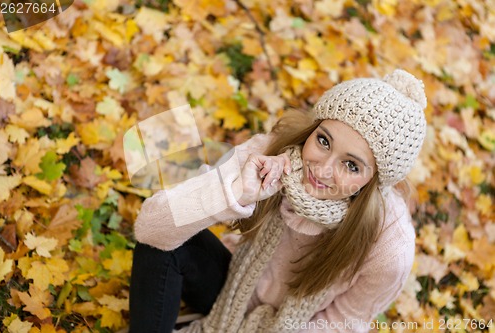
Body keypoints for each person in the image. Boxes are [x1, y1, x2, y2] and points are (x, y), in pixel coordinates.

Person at [128, 69, 427, 333]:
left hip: (294, 326)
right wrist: (236, 193)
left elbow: (342, 322)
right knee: (168, 245)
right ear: (313, 128)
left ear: (374, 181)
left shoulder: (389, 246)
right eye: (323, 141)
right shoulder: (270, 155)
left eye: (351, 165)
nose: (321, 171)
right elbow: (150, 229)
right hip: (230, 289)